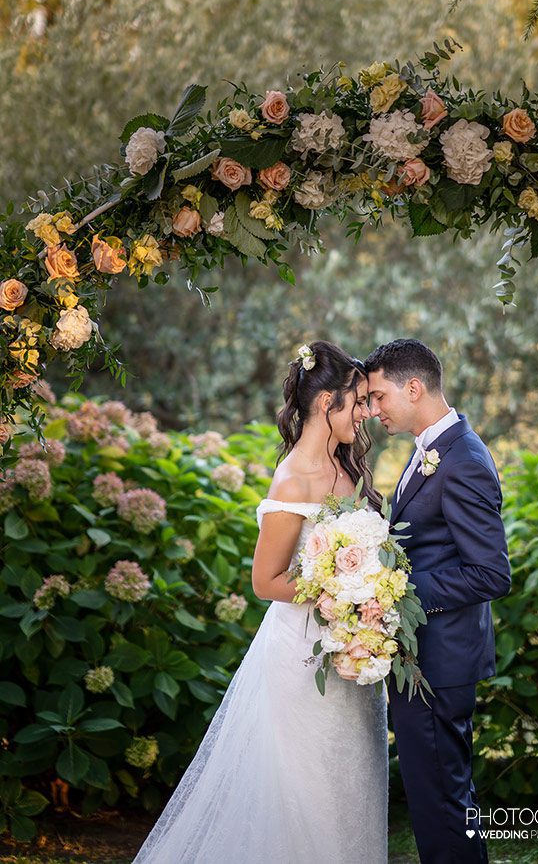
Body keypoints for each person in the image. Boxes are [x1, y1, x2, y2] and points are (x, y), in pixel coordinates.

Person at [132, 341, 387, 864]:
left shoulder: (347, 466)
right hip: (302, 658)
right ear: (327, 403)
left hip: (351, 650)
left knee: (351, 781)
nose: (366, 413)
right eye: (359, 401)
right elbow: (265, 581)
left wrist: (371, 596)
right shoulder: (292, 479)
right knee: (306, 792)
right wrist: (338, 590)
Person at [364, 338, 512, 864]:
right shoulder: (431, 449)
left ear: (413, 387)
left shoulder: (463, 459)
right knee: (439, 797)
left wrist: (396, 593)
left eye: (379, 397)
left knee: (443, 801)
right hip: (424, 656)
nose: (373, 409)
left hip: (439, 661)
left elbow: (491, 573)